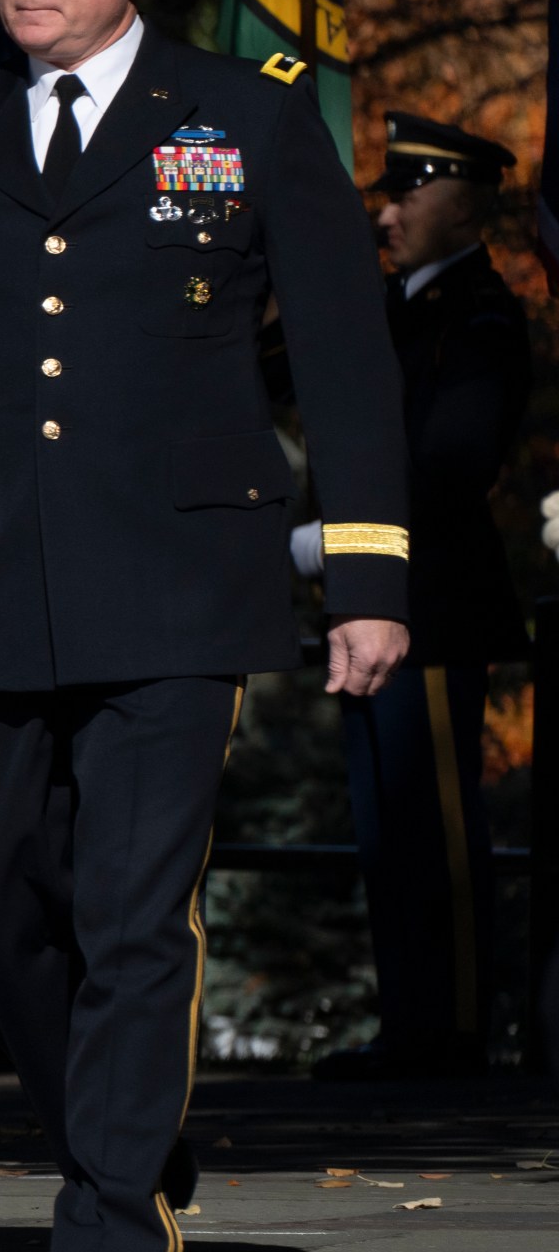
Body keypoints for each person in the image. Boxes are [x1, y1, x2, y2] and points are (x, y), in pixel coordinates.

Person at [0, 0, 412, 1251]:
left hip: (175, 582)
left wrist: (371, 577)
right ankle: (122, 1124)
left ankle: (106, 1206)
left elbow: (343, 355)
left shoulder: (248, 115)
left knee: (137, 914)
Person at [303, 114, 528, 1081]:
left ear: (466, 202)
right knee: (387, 830)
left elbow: (451, 461)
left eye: (408, 194)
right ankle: (413, 1026)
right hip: (375, 595)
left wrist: (339, 537)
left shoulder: (478, 314)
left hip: (430, 601)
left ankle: (455, 1031)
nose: (387, 215)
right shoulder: (391, 308)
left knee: (433, 829)